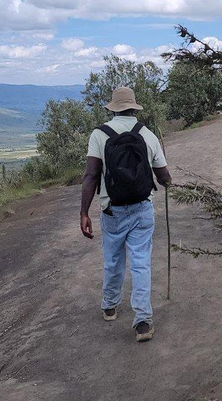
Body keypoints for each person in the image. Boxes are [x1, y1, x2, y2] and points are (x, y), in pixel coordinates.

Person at [80, 86, 172, 342]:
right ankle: (143, 322)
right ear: (134, 107)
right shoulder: (148, 134)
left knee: (112, 259)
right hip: (142, 208)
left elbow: (91, 175)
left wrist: (84, 212)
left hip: (113, 211)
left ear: (112, 108)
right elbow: (163, 176)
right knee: (141, 262)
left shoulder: (100, 134)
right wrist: (168, 180)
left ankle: (110, 306)